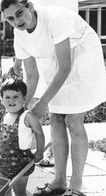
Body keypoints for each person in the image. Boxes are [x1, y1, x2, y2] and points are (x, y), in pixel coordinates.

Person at [0, 0, 106, 196]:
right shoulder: (19, 34)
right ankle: (59, 181)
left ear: (30, 6)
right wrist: (22, 111)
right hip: (54, 62)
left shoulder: (55, 19)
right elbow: (31, 76)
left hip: (81, 55)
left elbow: (65, 67)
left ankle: (76, 185)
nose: (17, 21)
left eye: (20, 13)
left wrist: (42, 104)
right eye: (10, 19)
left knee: (73, 121)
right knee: (56, 118)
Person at [9, 0, 79, 167]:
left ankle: (54, 154)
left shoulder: (55, 14)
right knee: (31, 101)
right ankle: (25, 149)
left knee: (63, 113)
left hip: (61, 46)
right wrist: (19, 56)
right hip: (36, 45)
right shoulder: (20, 22)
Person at [0, 78, 45, 196]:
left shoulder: (27, 116)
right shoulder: (6, 116)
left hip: (21, 161)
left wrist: (39, 151)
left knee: (19, 191)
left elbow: (39, 133)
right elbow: (0, 133)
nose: (11, 100)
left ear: (24, 99)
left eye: (16, 97)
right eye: (7, 97)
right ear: (2, 100)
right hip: (3, 160)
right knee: (3, 189)